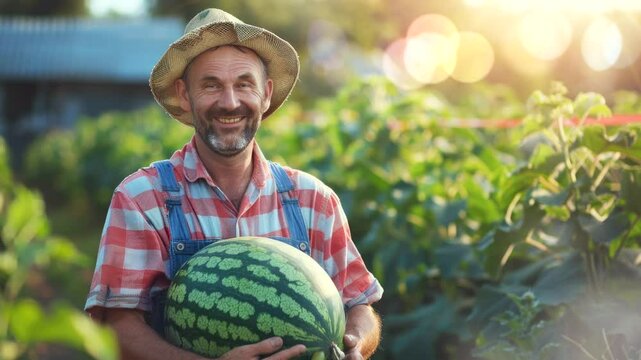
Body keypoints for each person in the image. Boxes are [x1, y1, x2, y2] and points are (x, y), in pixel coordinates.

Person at [84, 8, 384, 360]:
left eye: (244, 84)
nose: (230, 102)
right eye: (211, 85)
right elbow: (117, 329)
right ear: (184, 95)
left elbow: (360, 306)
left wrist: (353, 344)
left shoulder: (314, 200)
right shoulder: (142, 200)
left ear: (266, 93)